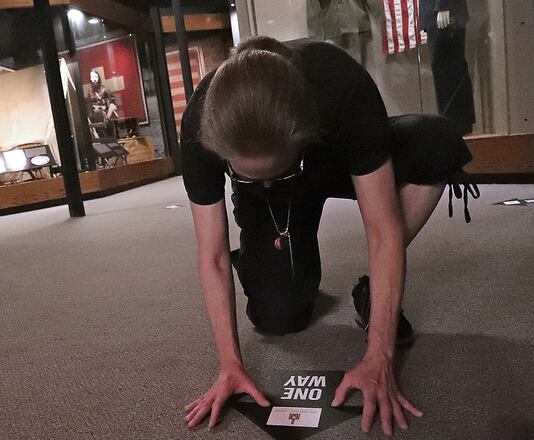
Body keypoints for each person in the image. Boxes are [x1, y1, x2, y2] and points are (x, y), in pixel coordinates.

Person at [181, 36, 477, 436]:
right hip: (282, 197)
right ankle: (270, 239)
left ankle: (373, 290)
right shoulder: (201, 121)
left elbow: (383, 227)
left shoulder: (341, 86)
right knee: (279, 316)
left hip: (335, 160)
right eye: (249, 173)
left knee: (436, 142)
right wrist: (229, 365)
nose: (267, 182)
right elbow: (213, 254)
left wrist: (379, 357)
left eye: (275, 172)